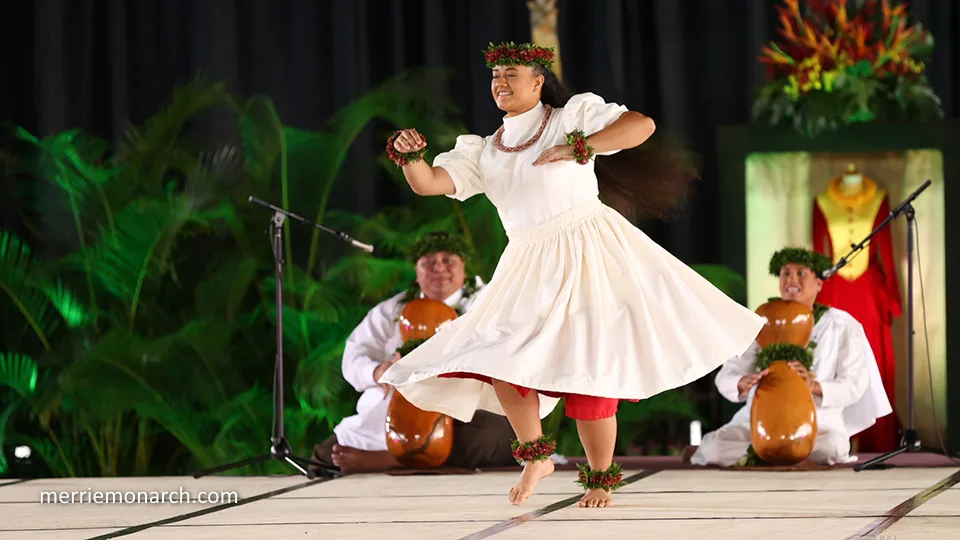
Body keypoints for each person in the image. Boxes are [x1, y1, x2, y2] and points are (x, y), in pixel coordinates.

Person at [378, 42, 765, 508]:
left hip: (587, 252)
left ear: (538, 81)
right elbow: (431, 184)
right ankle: (536, 456)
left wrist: (580, 146)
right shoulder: (485, 150)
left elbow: (641, 125)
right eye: (495, 75)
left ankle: (601, 478)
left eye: (512, 74)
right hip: (526, 262)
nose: (500, 82)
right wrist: (411, 157)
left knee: (589, 369)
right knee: (499, 356)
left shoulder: (569, 117)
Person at [310, 232, 518, 475]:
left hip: (466, 407)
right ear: (417, 272)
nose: (439, 268)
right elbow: (355, 354)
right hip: (399, 409)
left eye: (448, 260)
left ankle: (392, 460)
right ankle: (407, 455)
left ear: (464, 268)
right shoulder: (391, 310)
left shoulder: (489, 303)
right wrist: (378, 371)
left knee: (490, 437)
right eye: (429, 263)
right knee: (325, 457)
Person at [689, 247, 893, 467]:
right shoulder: (761, 321)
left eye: (801, 273)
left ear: (819, 284)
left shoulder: (841, 325)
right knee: (714, 450)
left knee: (831, 448)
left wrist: (814, 385)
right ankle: (772, 455)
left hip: (818, 422)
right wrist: (741, 382)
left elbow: (854, 383)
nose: (791, 279)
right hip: (759, 421)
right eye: (786, 273)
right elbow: (727, 374)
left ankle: (769, 458)